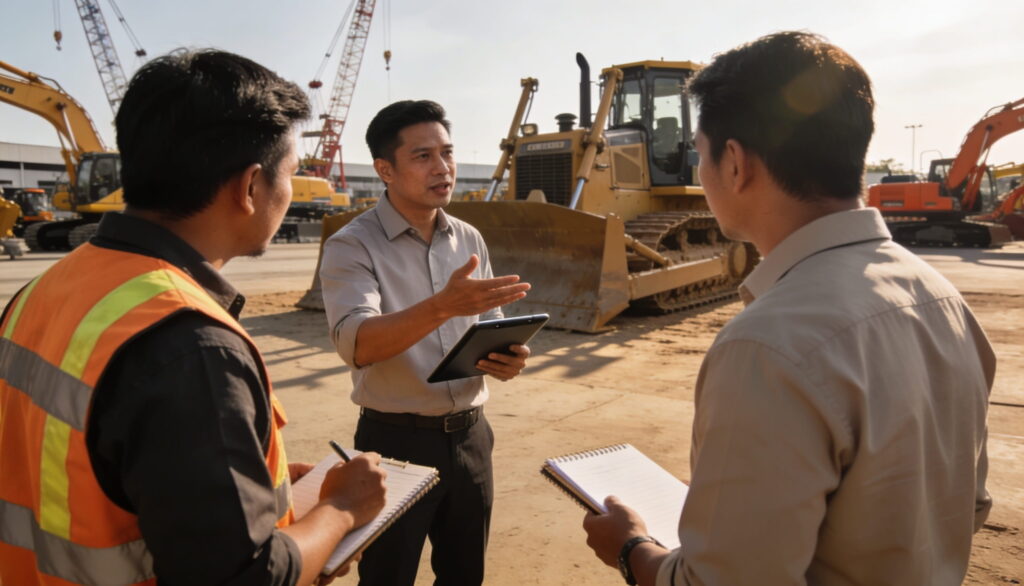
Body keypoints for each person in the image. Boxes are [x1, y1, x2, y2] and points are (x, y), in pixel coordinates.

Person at [582, 31, 994, 586]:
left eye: (701, 155)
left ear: (734, 163)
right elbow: (968, 505)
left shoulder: (767, 349)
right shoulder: (942, 298)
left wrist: (631, 547)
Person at [0, 49, 388, 586]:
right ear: (250, 188)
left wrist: (261, 489)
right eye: (292, 175)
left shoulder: (45, 289)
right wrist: (341, 509)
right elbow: (245, 576)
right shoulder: (192, 347)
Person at [319, 99, 532, 586]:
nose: (443, 168)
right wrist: (443, 305)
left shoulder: (468, 238)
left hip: (472, 438)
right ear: (384, 169)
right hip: (395, 444)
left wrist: (508, 355)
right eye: (423, 156)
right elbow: (357, 343)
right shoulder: (353, 245)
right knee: (387, 577)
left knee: (464, 576)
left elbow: (488, 321)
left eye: (448, 153)